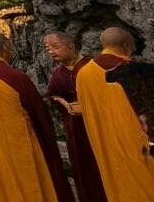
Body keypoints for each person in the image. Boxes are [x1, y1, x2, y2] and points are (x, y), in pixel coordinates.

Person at [76, 28, 154, 202]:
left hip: (109, 150)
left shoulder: (83, 74)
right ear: (127, 45)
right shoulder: (133, 71)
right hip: (145, 150)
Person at [0, 28, 70, 202]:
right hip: (23, 148)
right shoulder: (16, 77)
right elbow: (39, 115)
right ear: (7, 47)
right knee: (33, 187)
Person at [44, 32, 106, 202]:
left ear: (70, 45)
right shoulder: (59, 73)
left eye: (55, 47)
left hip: (100, 129)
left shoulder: (92, 66)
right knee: (83, 171)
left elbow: (108, 96)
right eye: (48, 49)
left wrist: (87, 107)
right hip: (76, 131)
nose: (51, 52)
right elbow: (53, 95)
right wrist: (65, 104)